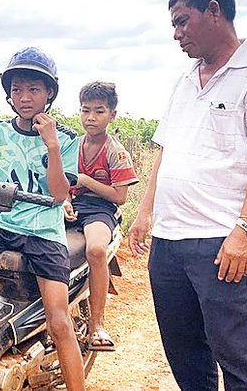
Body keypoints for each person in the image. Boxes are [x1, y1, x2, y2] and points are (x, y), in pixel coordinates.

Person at [128, 0, 247, 391]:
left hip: (221, 242)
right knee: (185, 354)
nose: (176, 34)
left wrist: (245, 231)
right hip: (168, 244)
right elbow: (165, 153)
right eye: (174, 25)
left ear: (215, 11)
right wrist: (144, 214)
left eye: (183, 21)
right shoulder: (184, 82)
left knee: (238, 356)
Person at [0, 46, 86, 391]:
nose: (24, 97)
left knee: (59, 323)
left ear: (49, 94)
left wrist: (52, 146)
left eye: (33, 90)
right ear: (8, 95)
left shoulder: (68, 139)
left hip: (45, 233)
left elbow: (59, 195)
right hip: (3, 227)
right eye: (17, 90)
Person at [62, 81, 138, 352]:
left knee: (95, 250)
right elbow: (61, 183)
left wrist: (85, 180)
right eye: (86, 110)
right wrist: (65, 201)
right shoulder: (72, 146)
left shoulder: (116, 151)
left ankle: (98, 324)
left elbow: (119, 197)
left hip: (100, 210)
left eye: (99, 111)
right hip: (73, 207)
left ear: (112, 115)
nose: (91, 117)